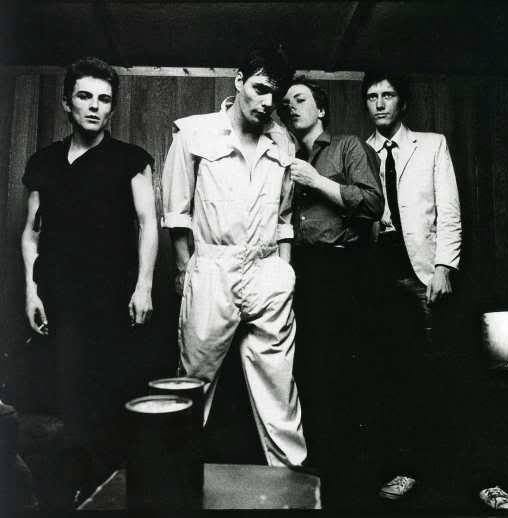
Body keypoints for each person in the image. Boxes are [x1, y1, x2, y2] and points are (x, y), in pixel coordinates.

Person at [21, 57, 158, 506]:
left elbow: (148, 224)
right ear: (67, 103)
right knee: (64, 396)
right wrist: (31, 291)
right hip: (58, 296)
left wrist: (144, 286)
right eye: (85, 96)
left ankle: (106, 495)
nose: (95, 106)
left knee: (108, 397)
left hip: (111, 298)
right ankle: (69, 495)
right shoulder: (44, 162)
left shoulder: (130, 160)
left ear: (112, 107)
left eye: (104, 99)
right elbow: (31, 232)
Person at [161, 45, 306, 468]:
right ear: (239, 81)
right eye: (260, 89)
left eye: (275, 95)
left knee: (278, 386)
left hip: (266, 270)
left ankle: (293, 483)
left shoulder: (283, 141)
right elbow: (176, 212)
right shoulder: (193, 133)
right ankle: (175, 478)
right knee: (194, 381)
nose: (266, 102)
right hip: (212, 268)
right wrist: (185, 270)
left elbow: (284, 217)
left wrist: (284, 271)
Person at [277, 78, 383, 505]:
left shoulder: (347, 146)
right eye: (286, 102)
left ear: (321, 109)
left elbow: (373, 204)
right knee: (305, 373)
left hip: (343, 272)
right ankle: (313, 480)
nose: (291, 106)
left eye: (300, 99)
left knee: (345, 375)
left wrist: (317, 181)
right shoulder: (282, 155)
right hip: (297, 271)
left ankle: (349, 486)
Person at [362, 70, 463, 501]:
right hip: (377, 275)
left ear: (402, 102)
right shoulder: (360, 151)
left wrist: (444, 268)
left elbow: (449, 211)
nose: (380, 103)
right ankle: (404, 469)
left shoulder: (432, 144)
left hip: (423, 272)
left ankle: (453, 471)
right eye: (372, 96)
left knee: (437, 372)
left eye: (388, 95)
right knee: (390, 373)